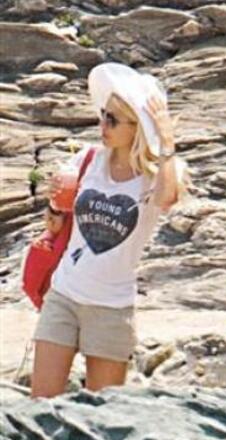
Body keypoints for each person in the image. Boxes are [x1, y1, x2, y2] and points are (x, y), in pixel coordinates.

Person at [31, 63, 186, 398]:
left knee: (102, 414)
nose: (102, 125)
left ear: (137, 127)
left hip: (111, 307)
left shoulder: (155, 175)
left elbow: (167, 198)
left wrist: (165, 139)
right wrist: (54, 209)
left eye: (112, 120)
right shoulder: (88, 159)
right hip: (64, 293)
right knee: (39, 405)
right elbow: (58, 218)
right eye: (103, 115)